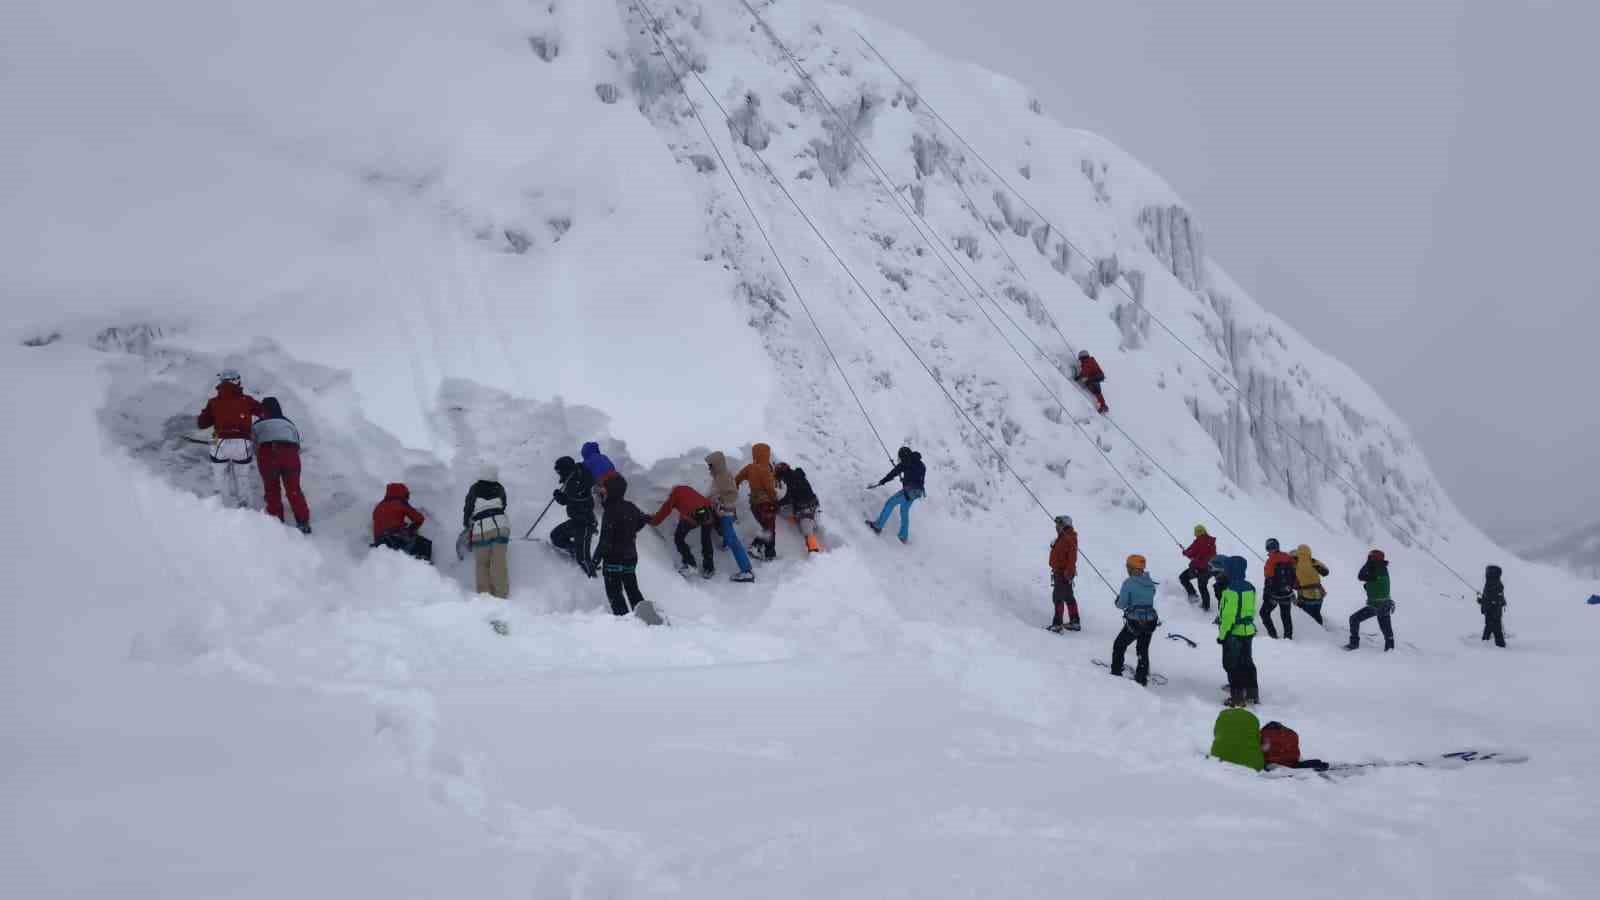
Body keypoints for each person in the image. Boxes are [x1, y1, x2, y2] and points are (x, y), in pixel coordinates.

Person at [196, 369, 263, 509]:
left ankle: (220, 506)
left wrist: (212, 414)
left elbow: (202, 424)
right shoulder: (247, 400)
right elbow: (263, 412)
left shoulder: (213, 402)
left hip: (220, 442)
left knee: (220, 475)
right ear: (236, 381)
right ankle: (244, 506)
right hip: (243, 443)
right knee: (242, 477)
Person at [250, 396, 311, 533]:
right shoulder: (288, 423)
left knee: (272, 490)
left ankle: (276, 523)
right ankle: (303, 522)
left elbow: (253, 446)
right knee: (293, 489)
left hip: (268, 454)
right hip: (290, 455)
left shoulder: (258, 425)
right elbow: (297, 443)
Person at [594, 474, 648, 616]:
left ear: (611, 490)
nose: (602, 490)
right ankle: (644, 616)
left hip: (613, 559)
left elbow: (605, 540)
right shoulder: (630, 506)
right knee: (632, 589)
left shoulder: (610, 511)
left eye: (604, 488)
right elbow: (643, 519)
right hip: (630, 557)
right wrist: (630, 530)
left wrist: (595, 560)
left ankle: (623, 620)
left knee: (615, 593)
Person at [1216, 555, 1259, 707]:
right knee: (1247, 662)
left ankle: (1237, 697)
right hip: (1248, 630)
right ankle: (1252, 693)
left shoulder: (1230, 590)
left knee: (1232, 664)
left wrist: (1222, 635)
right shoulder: (1250, 587)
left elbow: (1228, 616)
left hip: (1233, 632)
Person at [706, 451, 756, 582]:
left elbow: (733, 494)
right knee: (728, 535)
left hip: (726, 513)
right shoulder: (720, 476)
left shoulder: (723, 476)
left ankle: (746, 571)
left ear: (717, 465)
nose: (709, 468)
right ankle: (726, 544)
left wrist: (719, 500)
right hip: (724, 512)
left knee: (733, 540)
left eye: (710, 465)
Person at [462, 465, 510, 599]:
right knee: (499, 563)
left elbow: (468, 509)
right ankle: (501, 595)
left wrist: (466, 525)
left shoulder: (475, 488)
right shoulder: (500, 488)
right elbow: (504, 505)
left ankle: (485, 597)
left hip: (482, 528)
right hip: (502, 527)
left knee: (482, 564)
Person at [1110, 554, 1159, 685]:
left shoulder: (1129, 583)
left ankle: (1115, 672)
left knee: (1119, 645)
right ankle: (1141, 678)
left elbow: (1122, 604)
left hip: (1135, 622)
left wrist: (1118, 601)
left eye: (1128, 566)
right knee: (1142, 649)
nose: (1127, 569)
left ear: (1132, 568)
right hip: (1150, 622)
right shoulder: (1150, 583)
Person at [650, 485, 717, 578]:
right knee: (706, 540)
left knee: (679, 538)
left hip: (692, 517)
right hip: (707, 512)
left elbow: (665, 510)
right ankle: (709, 568)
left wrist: (653, 521)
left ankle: (690, 564)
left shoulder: (674, 495)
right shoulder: (688, 489)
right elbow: (703, 500)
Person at [867, 446, 926, 543]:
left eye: (900, 457)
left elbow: (893, 473)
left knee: (890, 503)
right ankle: (903, 536)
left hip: (909, 491)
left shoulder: (906, 462)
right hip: (917, 492)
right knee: (904, 510)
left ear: (903, 455)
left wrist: (882, 482)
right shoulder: (921, 464)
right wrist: (906, 480)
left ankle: (878, 526)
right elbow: (917, 477)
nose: (900, 459)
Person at [550, 456, 597, 577]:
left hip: (585, 524)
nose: (558, 474)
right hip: (576, 521)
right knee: (556, 536)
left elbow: (569, 498)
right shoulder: (574, 475)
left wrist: (559, 496)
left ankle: (594, 582)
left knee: (584, 559)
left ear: (565, 469)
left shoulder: (577, 480)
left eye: (559, 471)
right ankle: (575, 549)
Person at [736, 442, 781, 560]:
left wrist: (735, 488)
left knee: (767, 527)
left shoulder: (750, 467)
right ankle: (760, 549)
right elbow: (770, 489)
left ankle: (765, 551)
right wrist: (775, 501)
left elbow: (738, 478)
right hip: (766, 503)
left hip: (755, 504)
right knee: (770, 528)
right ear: (765, 454)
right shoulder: (765, 469)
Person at [372, 482, 431, 562]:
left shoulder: (378, 506)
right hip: (394, 539)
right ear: (403, 493)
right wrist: (411, 529)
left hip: (379, 542)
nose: (407, 498)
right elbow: (419, 518)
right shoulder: (400, 503)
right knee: (424, 544)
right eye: (407, 496)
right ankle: (425, 567)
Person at [1348, 550, 1395, 651]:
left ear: (1374, 559)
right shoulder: (1382, 569)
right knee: (1387, 631)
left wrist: (1367, 563)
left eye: (1370, 557)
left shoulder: (1376, 570)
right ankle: (1390, 651)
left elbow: (1361, 576)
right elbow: (1374, 584)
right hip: (1385, 604)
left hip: (1377, 606)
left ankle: (1354, 644)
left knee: (1354, 619)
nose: (1368, 559)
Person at [774, 461, 823, 553]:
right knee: (806, 524)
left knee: (808, 533)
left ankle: (814, 553)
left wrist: (777, 504)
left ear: (782, 474)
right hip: (814, 505)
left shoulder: (791, 479)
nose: (781, 480)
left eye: (780, 477)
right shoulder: (798, 474)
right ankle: (810, 525)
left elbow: (789, 497)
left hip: (805, 509)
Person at [1260, 538, 1298, 639]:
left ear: (1268, 548)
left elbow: (1269, 580)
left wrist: (1266, 595)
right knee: (1286, 616)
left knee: (1264, 613)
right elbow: (1294, 575)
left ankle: (1273, 635)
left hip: (1274, 595)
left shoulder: (1270, 561)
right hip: (1287, 593)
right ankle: (1288, 637)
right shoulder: (1288, 557)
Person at [1048, 515, 1081, 632]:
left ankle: (1057, 624)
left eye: (1059, 524)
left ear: (1065, 525)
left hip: (1063, 573)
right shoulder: (1062, 538)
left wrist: (1069, 571)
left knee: (1058, 597)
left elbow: (1072, 557)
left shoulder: (1069, 537)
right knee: (1068, 596)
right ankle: (1075, 621)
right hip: (1060, 572)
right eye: (1057, 525)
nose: (1057, 527)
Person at [1209, 707, 1265, 772]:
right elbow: (1257, 740)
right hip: (1250, 764)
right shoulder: (1253, 720)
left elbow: (1216, 732)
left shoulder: (1222, 716)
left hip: (1218, 756)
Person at [1180, 525, 1218, 611]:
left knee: (1183, 577)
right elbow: (1210, 554)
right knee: (1202, 586)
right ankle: (1206, 606)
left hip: (1198, 568)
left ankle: (1193, 595)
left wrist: (1184, 552)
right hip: (1209, 569)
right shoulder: (1211, 541)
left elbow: (1190, 552)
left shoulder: (1198, 542)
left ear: (1196, 533)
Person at [1292, 544, 1330, 625]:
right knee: (1317, 614)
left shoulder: (1295, 566)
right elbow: (1326, 572)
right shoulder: (1313, 562)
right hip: (1320, 595)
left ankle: (1312, 633)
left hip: (1306, 597)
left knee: (1308, 618)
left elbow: (1294, 585)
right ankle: (1322, 632)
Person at [1478, 565, 1507, 647]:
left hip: (1493, 612)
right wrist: (1481, 601)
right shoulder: (1493, 584)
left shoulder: (1494, 584)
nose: (1486, 574)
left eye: (1488, 572)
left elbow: (1494, 599)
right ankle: (1484, 642)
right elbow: (1490, 599)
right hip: (1491, 611)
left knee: (1497, 630)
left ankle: (1501, 648)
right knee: (1489, 627)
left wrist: (1483, 601)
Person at [1072, 350, 1109, 414]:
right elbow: (1086, 371)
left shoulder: (1087, 362)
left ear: (1083, 357)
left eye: (1080, 359)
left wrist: (1078, 377)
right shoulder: (1089, 361)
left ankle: (1103, 406)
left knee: (1095, 389)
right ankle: (1103, 405)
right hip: (1097, 376)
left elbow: (1085, 372)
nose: (1080, 360)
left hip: (1096, 377)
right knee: (1095, 389)